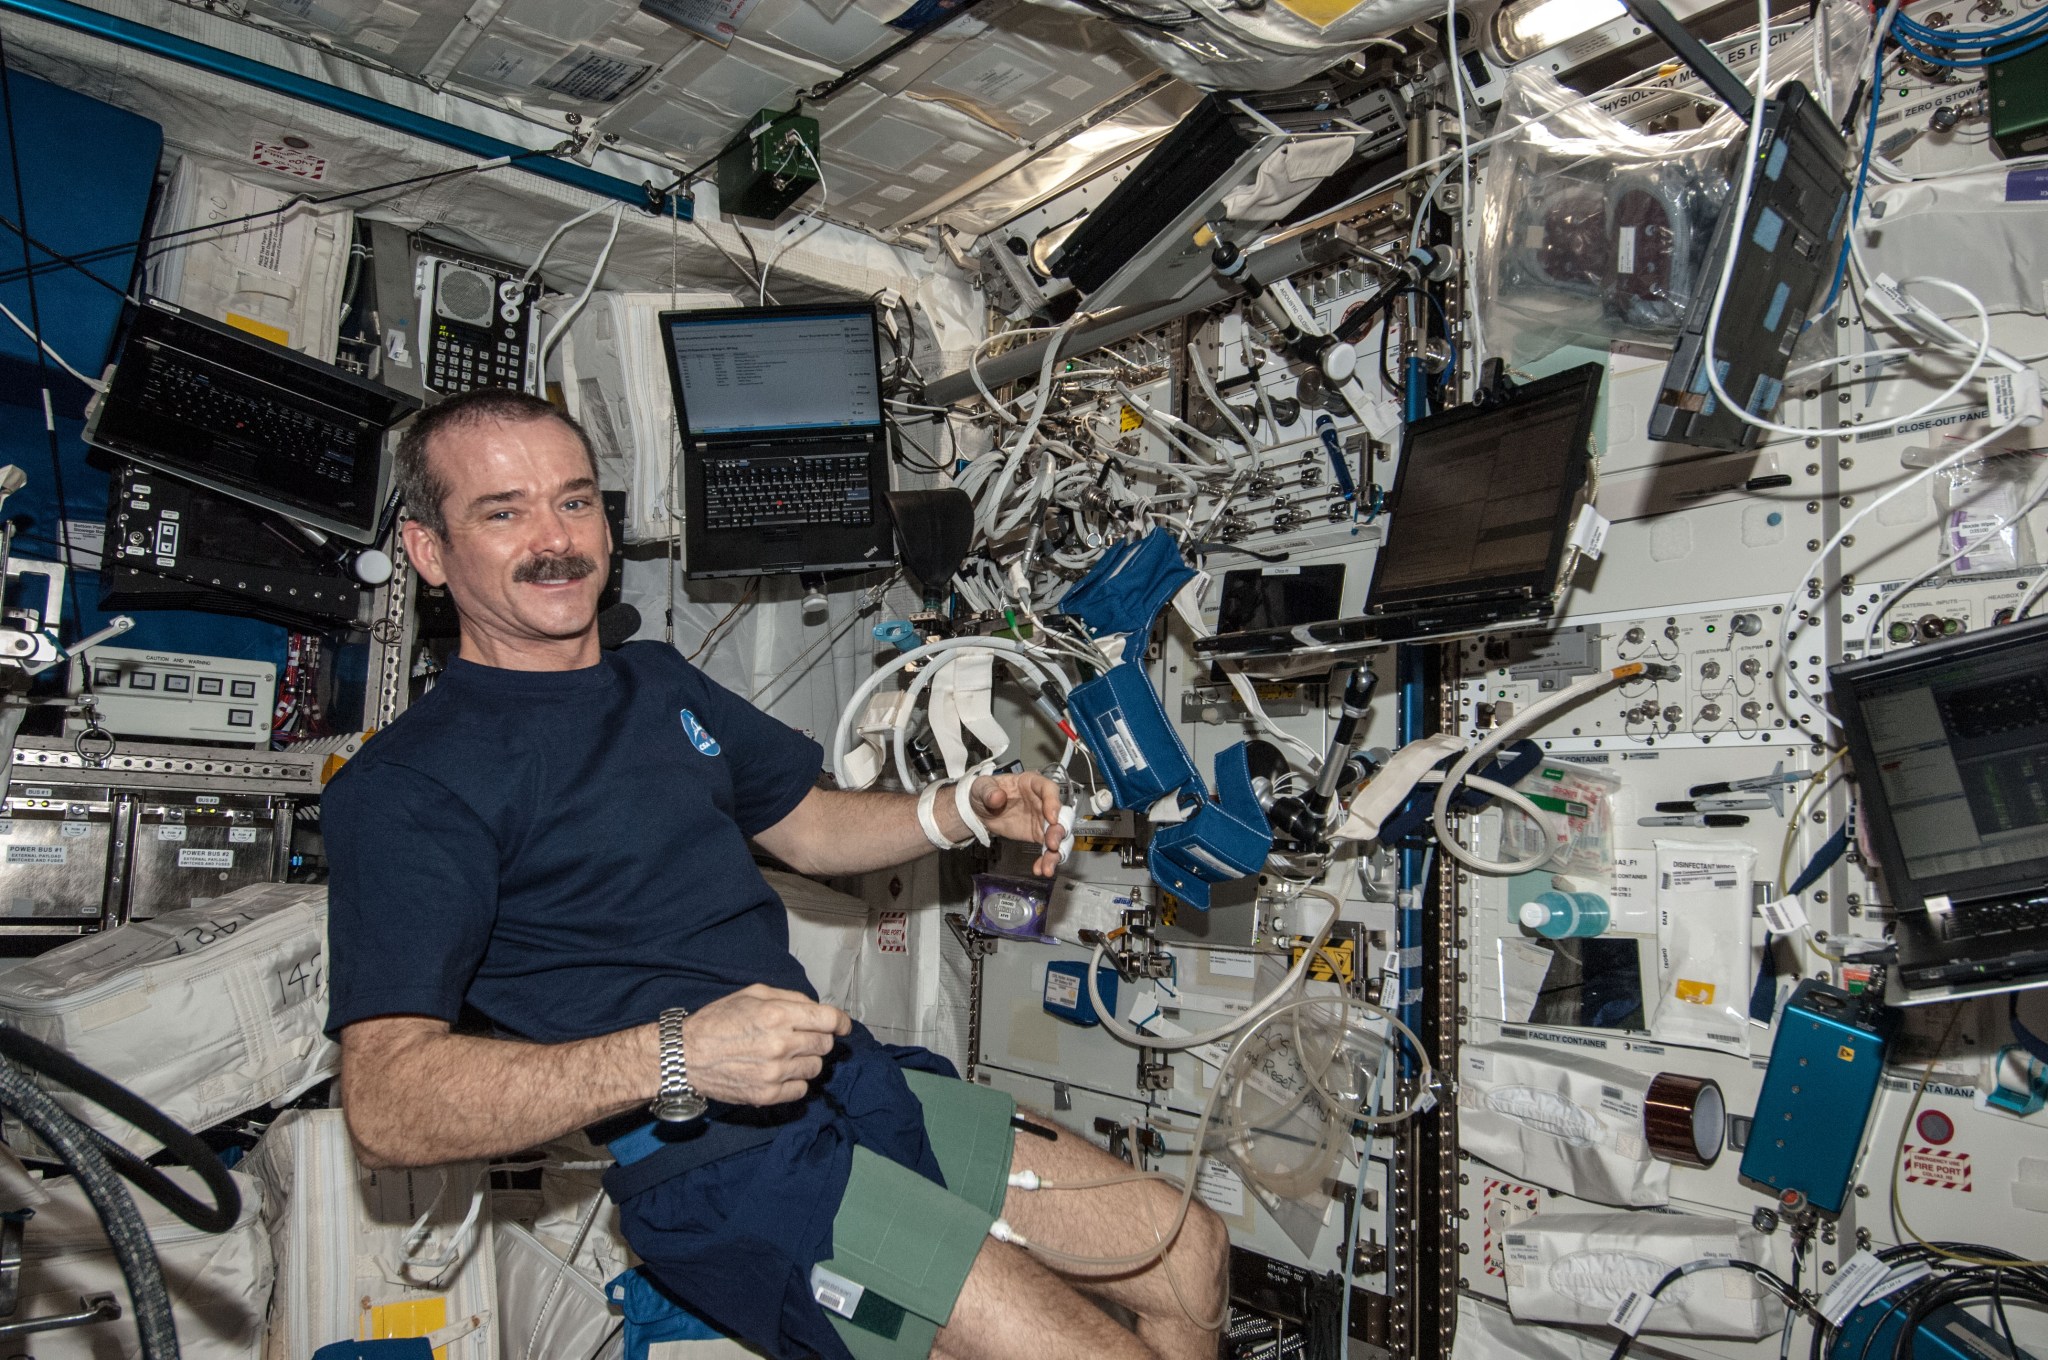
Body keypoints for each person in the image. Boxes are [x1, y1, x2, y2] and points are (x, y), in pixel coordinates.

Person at [322, 388, 1228, 1360]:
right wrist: (677, 1056)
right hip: (718, 1166)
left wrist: (961, 808)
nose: (554, 538)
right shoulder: (409, 784)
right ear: (427, 551)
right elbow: (387, 1104)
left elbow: (806, 823)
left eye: (574, 501)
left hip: (846, 1081)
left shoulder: (657, 682)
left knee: (1190, 1253)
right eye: (502, 511)